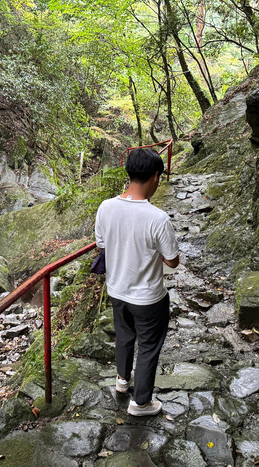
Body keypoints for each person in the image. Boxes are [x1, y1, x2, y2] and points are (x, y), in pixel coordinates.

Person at [94, 148, 180, 416]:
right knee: (149, 346)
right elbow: (172, 261)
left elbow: (102, 245)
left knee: (124, 336)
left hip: (117, 289)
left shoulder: (106, 207)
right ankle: (141, 403)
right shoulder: (157, 218)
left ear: (129, 173)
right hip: (148, 298)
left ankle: (122, 380)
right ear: (155, 177)